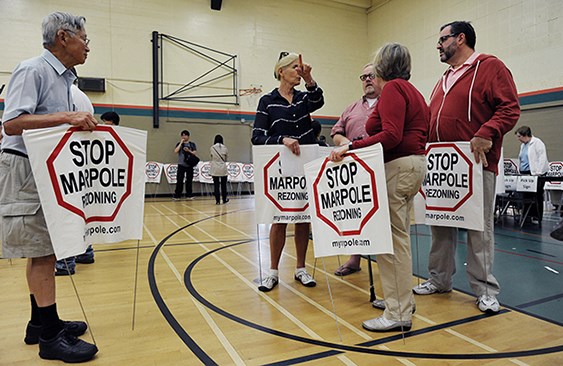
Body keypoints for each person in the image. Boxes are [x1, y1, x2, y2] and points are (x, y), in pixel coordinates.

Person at [0, 12, 98, 362]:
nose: (88, 46)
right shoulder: (33, 69)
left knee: (49, 248)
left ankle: (39, 323)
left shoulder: (65, 81)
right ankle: (50, 338)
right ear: (63, 37)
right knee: (42, 251)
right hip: (25, 167)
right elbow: (12, 123)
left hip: (45, 169)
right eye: (85, 38)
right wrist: (67, 117)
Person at [413, 21, 520, 314]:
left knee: (478, 229)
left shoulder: (490, 67)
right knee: (439, 226)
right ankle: (439, 279)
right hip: (441, 165)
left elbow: (509, 108)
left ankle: (485, 289)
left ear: (460, 39)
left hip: (475, 163)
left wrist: (487, 132)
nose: (438, 45)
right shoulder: (443, 79)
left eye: (442, 39)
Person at [330, 43, 428, 332]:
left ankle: (397, 312)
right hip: (414, 166)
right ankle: (402, 300)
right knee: (401, 240)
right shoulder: (413, 92)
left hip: (397, 168)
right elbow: (385, 127)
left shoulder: (395, 89)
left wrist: (352, 146)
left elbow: (390, 134)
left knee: (389, 244)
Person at [251, 51, 324, 292]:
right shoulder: (267, 101)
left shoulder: (304, 98)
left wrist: (310, 78)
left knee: (303, 219)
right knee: (279, 219)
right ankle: (272, 272)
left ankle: (301, 268)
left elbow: (318, 101)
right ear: (281, 71)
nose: (299, 72)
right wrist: (282, 139)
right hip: (280, 170)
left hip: (305, 166)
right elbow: (257, 136)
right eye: (295, 68)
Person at [330, 63, 381, 278]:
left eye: (372, 75)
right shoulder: (351, 108)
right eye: (364, 77)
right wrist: (347, 143)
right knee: (357, 215)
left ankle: (387, 263)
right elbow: (336, 133)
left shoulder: (390, 102)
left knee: (383, 217)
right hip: (355, 171)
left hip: (382, 167)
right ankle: (354, 259)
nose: (367, 80)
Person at [55, 70, 97, 275]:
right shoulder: (85, 98)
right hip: (83, 160)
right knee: (81, 209)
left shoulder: (63, 92)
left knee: (65, 210)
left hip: (63, 158)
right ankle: (86, 251)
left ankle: (65, 262)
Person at [515, 125, 549, 223]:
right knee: (526, 196)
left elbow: (542, 158)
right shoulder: (523, 145)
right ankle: (527, 216)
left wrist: (538, 172)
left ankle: (537, 216)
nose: (518, 139)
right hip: (524, 173)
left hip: (535, 173)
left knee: (536, 195)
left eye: (519, 136)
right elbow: (521, 159)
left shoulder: (537, 143)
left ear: (525, 135)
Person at [173, 130, 197, 200]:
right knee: (179, 180)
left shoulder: (192, 144)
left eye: (185, 135)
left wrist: (188, 151)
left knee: (189, 180)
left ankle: (189, 194)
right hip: (181, 164)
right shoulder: (179, 144)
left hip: (189, 164)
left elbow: (195, 153)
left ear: (188, 136)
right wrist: (181, 143)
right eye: (182, 135)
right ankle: (177, 195)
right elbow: (175, 151)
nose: (184, 136)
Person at [210, 134, 229, 204]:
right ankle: (224, 199)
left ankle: (217, 200)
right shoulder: (225, 148)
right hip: (223, 168)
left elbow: (212, 157)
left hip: (215, 167)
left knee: (216, 185)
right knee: (224, 185)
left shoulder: (212, 148)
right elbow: (226, 159)